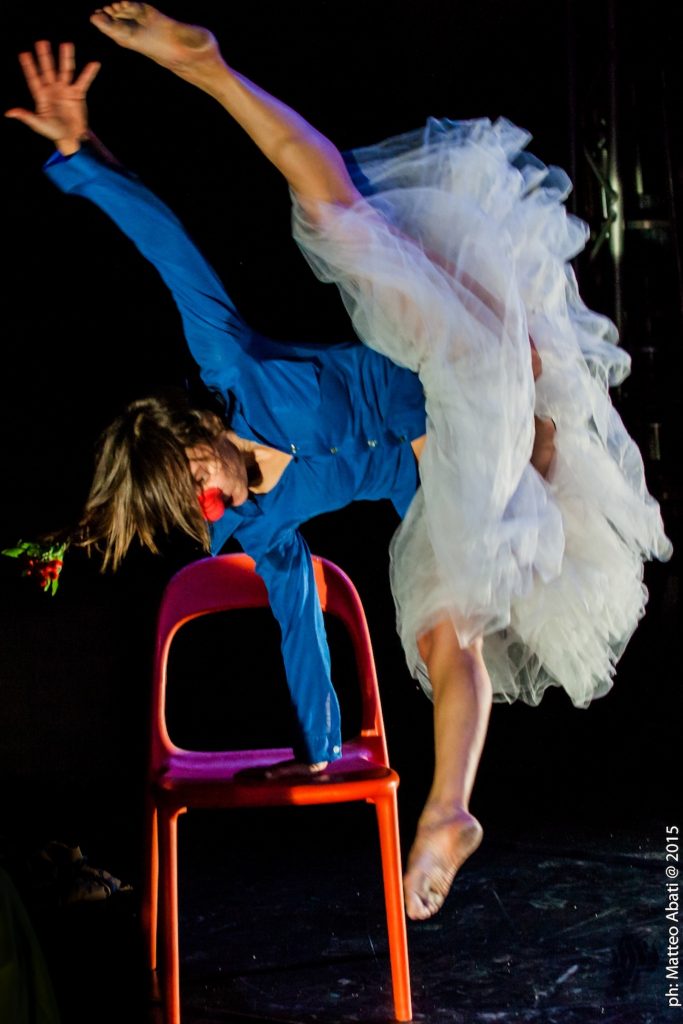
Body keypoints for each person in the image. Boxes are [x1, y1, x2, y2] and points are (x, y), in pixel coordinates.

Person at [5, 4, 672, 922]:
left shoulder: (230, 368)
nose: (209, 496)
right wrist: (321, 753)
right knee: (444, 630)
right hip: (459, 474)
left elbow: (167, 248)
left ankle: (210, 67)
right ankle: (449, 810)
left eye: (195, 473)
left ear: (191, 427)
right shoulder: (252, 523)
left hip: (447, 360)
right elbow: (296, 619)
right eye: (192, 504)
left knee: (336, 219)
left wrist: (82, 159)